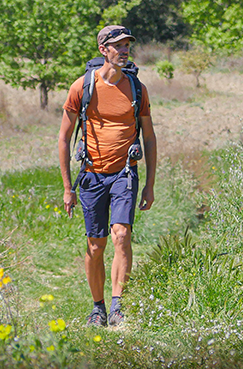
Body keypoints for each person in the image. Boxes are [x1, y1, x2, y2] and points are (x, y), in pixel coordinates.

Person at [58, 25, 157, 327]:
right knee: (95, 245)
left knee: (122, 235)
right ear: (103, 50)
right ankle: (97, 307)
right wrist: (67, 188)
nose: (124, 50)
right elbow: (63, 138)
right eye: (117, 46)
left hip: (125, 173)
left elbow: (149, 138)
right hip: (90, 175)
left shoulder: (137, 88)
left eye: (127, 45)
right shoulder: (82, 87)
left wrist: (149, 186)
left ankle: (117, 306)